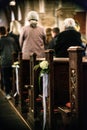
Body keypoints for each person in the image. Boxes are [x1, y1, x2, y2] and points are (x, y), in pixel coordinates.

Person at [0, 26, 18, 99]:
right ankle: (15, 92)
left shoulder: (0, 41)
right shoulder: (12, 39)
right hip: (13, 61)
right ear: (6, 32)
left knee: (6, 78)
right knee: (14, 77)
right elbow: (16, 50)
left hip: (5, 62)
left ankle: (8, 93)